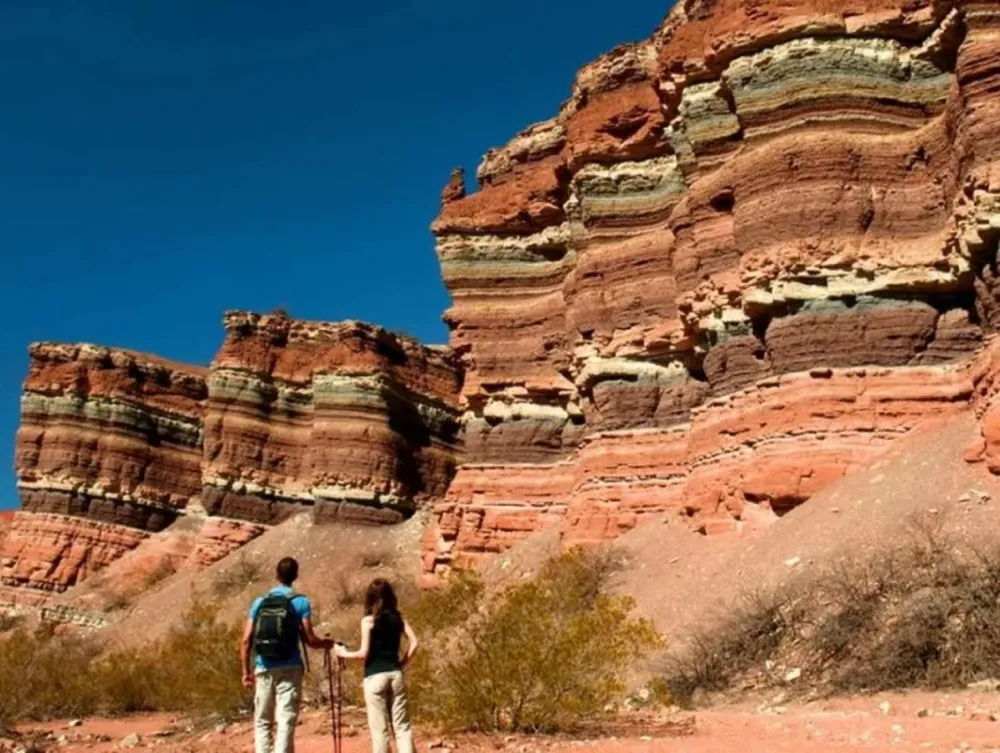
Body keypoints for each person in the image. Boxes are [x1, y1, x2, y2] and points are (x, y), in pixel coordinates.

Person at [241, 556, 334, 753]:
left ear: (277, 575)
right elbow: (309, 639)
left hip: (263, 666)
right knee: (285, 719)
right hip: (290, 666)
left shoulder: (259, 602)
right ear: (295, 576)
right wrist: (327, 644)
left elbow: (246, 640)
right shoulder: (300, 602)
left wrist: (245, 672)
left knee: (263, 720)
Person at [335, 578, 419, 753]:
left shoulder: (368, 621)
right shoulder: (398, 618)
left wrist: (343, 653)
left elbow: (363, 654)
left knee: (379, 731)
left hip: (374, 677)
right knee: (402, 728)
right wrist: (402, 663)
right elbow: (414, 642)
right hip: (395, 674)